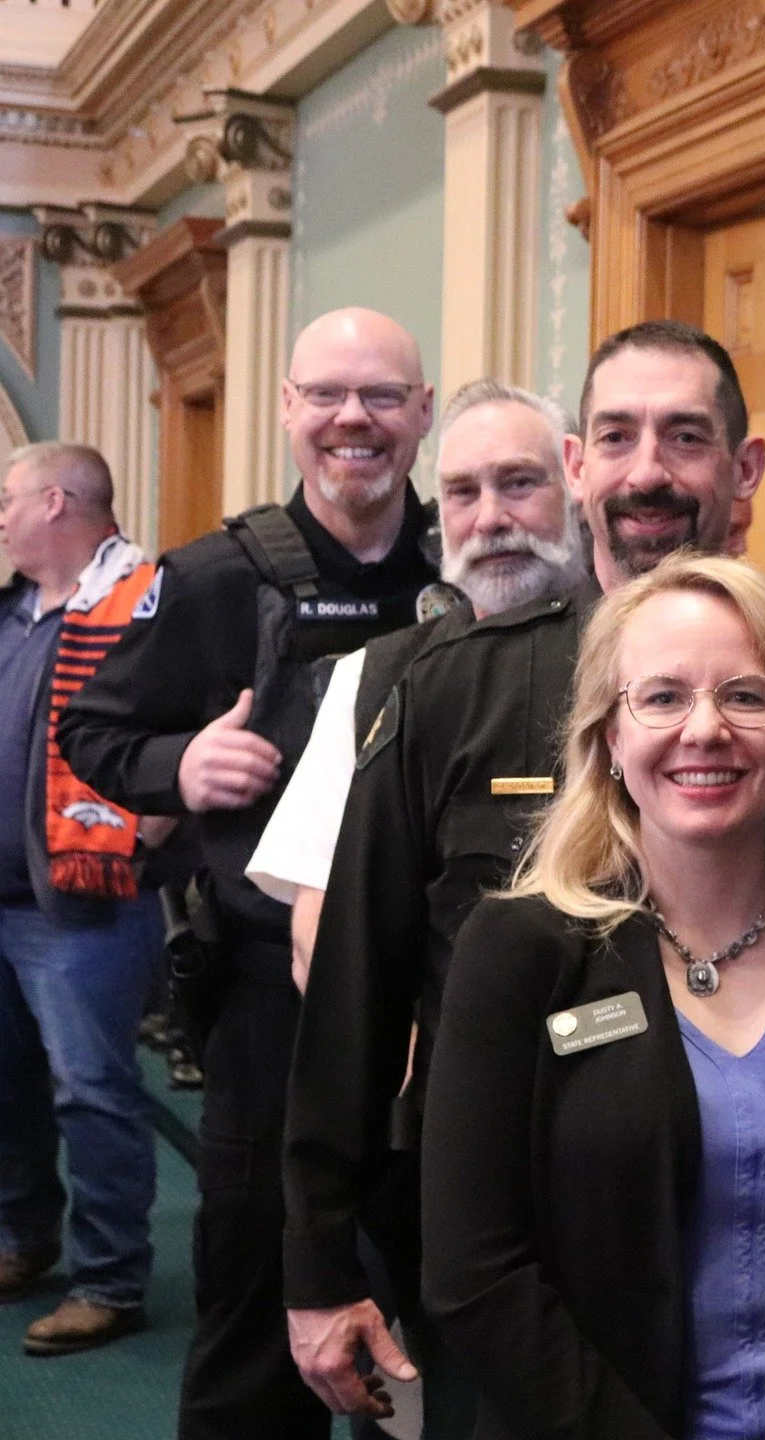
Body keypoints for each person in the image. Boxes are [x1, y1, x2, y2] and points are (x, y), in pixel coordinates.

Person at [283, 320, 765, 1428]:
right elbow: (355, 988)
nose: (648, 472)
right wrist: (317, 1259)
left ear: (744, 469)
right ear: (578, 466)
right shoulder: (449, 694)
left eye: (686, 437)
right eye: (616, 436)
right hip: (511, 1289)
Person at [422, 552, 765, 1438]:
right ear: (608, 741)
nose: (705, 730)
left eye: (745, 696)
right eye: (662, 697)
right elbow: (473, 1273)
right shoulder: (520, 952)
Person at [59, 307, 438, 1438]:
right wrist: (185, 762)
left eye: (380, 396)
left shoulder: (467, 561)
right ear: (286, 410)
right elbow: (94, 732)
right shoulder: (218, 577)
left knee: (432, 1298)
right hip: (271, 1004)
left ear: (421, 415)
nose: (352, 420)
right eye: (325, 394)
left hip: (441, 999)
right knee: (254, 1308)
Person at [246, 378, 585, 989]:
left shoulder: (641, 660)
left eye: (518, 483)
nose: (490, 519)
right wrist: (394, 1054)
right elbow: (317, 916)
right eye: (462, 492)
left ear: (575, 490)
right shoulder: (373, 681)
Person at [0, 443, 168, 1354]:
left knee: (92, 1092)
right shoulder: (14, 611)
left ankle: (109, 1278)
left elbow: (198, 720)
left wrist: (154, 828)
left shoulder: (143, 602)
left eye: (7, 498)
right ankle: (22, 1239)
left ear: (57, 501)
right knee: (8, 1089)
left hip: (82, 905)